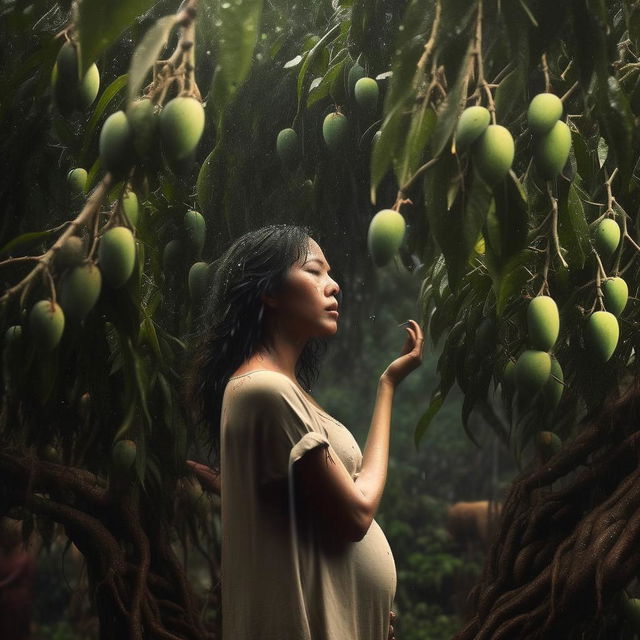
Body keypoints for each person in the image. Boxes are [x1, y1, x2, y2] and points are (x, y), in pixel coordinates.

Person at [183, 224, 424, 640]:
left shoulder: (279, 391)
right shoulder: (267, 390)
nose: (333, 287)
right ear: (270, 291)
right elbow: (357, 513)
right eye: (314, 272)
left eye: (330, 274)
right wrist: (386, 388)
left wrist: (387, 385)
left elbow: (295, 497)